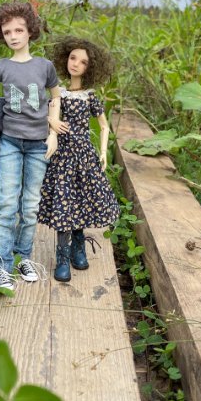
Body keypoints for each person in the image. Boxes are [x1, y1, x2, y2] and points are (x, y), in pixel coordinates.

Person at [0, 0, 61, 291]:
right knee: (6, 204)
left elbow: (56, 96)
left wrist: (53, 131)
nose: (13, 36)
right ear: (1, 34)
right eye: (7, 31)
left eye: (19, 30)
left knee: (30, 205)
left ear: (30, 31)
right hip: (10, 144)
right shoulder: (0, 67)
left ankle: (24, 256)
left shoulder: (44, 66)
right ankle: (2, 265)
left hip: (39, 144)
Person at [37, 36, 120, 282]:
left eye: (82, 62)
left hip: (84, 156)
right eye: (73, 58)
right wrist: (52, 125)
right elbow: (49, 115)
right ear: (65, 60)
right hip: (62, 156)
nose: (76, 64)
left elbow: (104, 126)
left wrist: (103, 152)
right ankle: (62, 257)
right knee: (64, 201)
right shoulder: (58, 93)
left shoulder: (90, 96)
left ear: (89, 68)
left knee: (81, 199)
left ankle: (78, 248)